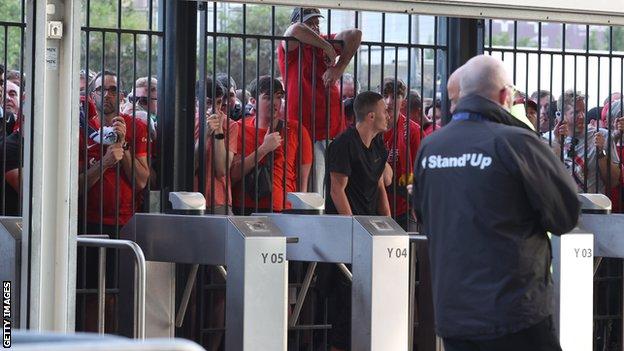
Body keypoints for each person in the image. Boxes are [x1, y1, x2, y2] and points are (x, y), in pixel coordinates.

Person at [414, 55, 580, 351]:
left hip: (454, 313)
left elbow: (424, 214)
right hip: (514, 312)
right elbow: (565, 215)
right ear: (505, 95)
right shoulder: (517, 143)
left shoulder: (431, 147)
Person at [324, 91, 390, 351]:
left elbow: (379, 186)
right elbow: (336, 189)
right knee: (344, 303)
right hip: (347, 234)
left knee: (369, 301)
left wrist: (388, 225)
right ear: (371, 116)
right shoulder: (343, 143)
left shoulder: (378, 146)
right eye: (384, 111)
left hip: (371, 234)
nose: (388, 116)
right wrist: (352, 228)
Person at [278, 7, 362, 197]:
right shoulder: (291, 46)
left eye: (317, 22)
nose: (315, 27)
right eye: (310, 23)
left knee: (337, 189)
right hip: (307, 130)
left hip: (334, 130)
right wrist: (326, 46)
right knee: (315, 192)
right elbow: (295, 30)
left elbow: (355, 34)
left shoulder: (324, 40)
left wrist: (339, 68)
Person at [231, 76, 312, 214]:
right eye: (268, 97)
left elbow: (303, 179)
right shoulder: (239, 128)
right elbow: (233, 174)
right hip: (246, 206)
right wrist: (263, 149)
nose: (275, 102)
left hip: (284, 208)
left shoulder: (296, 130)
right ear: (253, 102)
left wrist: (300, 209)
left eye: (279, 97)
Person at [546, 90, 621, 194]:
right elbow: (544, 177)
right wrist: (557, 143)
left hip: (593, 206)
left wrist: (601, 153)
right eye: (576, 112)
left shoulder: (602, 135)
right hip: (561, 206)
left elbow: (613, 181)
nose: (582, 116)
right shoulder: (548, 139)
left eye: (583, 111)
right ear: (560, 114)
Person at [379, 78, 421, 230]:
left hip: (404, 205)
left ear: (403, 102)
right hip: (374, 204)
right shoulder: (371, 127)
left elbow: (419, 170)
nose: (389, 101)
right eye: (385, 95)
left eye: (395, 96)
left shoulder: (413, 130)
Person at [194, 76, 238, 214]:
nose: (214, 108)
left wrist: (218, 130)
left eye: (218, 102)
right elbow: (191, 166)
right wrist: (205, 135)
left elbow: (221, 170)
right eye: (208, 102)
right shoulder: (186, 121)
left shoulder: (230, 125)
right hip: (191, 199)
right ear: (196, 101)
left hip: (219, 200)